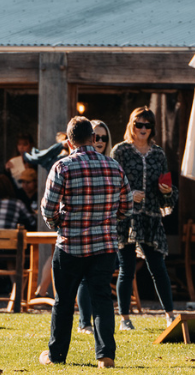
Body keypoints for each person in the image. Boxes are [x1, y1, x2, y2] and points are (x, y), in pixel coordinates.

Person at [38, 116, 129, 369]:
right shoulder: (114, 166)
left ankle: (56, 356)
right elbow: (127, 206)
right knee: (101, 299)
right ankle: (105, 356)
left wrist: (60, 224)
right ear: (92, 138)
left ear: (68, 141)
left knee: (64, 302)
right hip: (105, 246)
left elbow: (48, 208)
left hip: (70, 245)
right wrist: (110, 220)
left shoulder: (62, 167)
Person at [110, 107, 178, 330]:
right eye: (138, 124)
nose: (142, 129)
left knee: (158, 267)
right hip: (126, 217)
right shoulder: (119, 151)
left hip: (150, 217)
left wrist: (166, 190)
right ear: (131, 125)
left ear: (152, 128)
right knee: (126, 269)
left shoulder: (158, 153)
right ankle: (125, 319)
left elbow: (167, 191)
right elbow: (111, 186)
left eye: (147, 125)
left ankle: (169, 315)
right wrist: (128, 195)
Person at [77, 119, 118, 334]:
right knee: (85, 277)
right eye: (96, 136)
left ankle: (98, 327)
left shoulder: (112, 164)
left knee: (100, 282)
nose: (100, 141)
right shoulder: (74, 163)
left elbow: (122, 201)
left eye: (104, 137)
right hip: (82, 231)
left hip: (105, 232)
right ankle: (84, 322)